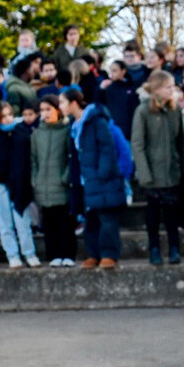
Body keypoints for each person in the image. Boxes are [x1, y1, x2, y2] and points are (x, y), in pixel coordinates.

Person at [65, 89, 125, 269]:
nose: (60, 106)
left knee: (107, 219)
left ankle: (109, 254)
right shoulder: (74, 126)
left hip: (101, 180)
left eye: (62, 102)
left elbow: (108, 149)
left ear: (73, 103)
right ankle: (93, 254)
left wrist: (102, 174)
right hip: (86, 181)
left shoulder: (97, 122)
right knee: (90, 220)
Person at [131, 70, 184, 265]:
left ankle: (174, 248)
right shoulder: (143, 111)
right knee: (152, 213)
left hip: (171, 170)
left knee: (172, 213)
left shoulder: (174, 110)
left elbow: (180, 141)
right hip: (151, 172)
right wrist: (144, 173)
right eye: (168, 87)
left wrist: (181, 167)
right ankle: (154, 248)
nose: (172, 90)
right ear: (157, 89)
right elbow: (138, 144)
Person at [0, 102, 40, 268]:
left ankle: (29, 253)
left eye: (9, 114)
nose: (8, 119)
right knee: (4, 220)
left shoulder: (21, 131)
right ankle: (12, 254)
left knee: (22, 218)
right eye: (3, 116)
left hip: (19, 180)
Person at [31, 95, 77, 267]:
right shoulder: (37, 133)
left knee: (65, 222)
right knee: (49, 223)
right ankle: (54, 254)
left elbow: (70, 156)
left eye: (48, 109)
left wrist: (65, 177)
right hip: (43, 184)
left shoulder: (66, 131)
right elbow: (33, 159)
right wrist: (35, 179)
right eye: (42, 110)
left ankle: (68, 254)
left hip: (61, 184)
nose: (45, 113)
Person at [99, 59, 140, 140]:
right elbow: (99, 104)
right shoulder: (108, 88)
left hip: (130, 131)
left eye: (114, 71)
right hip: (113, 130)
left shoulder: (133, 87)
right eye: (110, 71)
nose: (112, 74)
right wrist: (101, 89)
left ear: (123, 71)